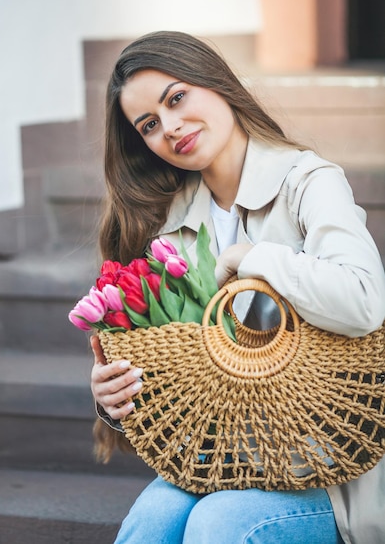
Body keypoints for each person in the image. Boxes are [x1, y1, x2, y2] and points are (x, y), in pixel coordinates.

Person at [90, 30, 385, 544]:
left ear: (217, 82)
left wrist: (257, 259)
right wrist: (113, 400)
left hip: (328, 467)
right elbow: (182, 379)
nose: (171, 128)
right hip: (223, 456)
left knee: (220, 524)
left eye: (176, 98)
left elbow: (364, 301)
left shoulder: (308, 182)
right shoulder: (171, 228)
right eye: (150, 124)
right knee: (151, 520)